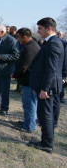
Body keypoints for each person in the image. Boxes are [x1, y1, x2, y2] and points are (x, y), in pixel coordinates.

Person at [28, 17, 64, 153]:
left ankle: (47, 144)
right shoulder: (50, 42)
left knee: (46, 115)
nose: (38, 31)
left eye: (40, 28)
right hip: (46, 85)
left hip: (47, 87)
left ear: (49, 28)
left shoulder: (53, 43)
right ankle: (45, 141)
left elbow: (51, 68)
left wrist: (45, 89)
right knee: (44, 114)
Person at [12, 28, 40, 133]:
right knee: (29, 103)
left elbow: (24, 66)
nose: (17, 40)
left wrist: (14, 74)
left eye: (18, 37)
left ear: (24, 37)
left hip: (29, 81)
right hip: (29, 80)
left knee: (29, 104)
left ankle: (29, 126)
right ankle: (27, 121)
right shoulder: (30, 45)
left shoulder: (30, 48)